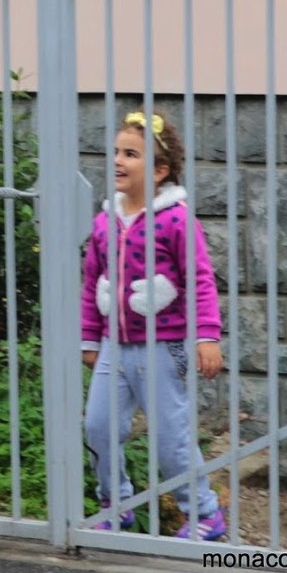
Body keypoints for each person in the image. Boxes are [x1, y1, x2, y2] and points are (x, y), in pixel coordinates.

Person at [80, 110, 226, 541]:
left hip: (162, 348)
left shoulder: (176, 219)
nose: (118, 161)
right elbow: (93, 282)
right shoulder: (105, 221)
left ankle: (204, 514)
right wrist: (90, 338)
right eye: (116, 153)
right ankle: (116, 503)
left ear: (160, 171)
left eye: (131, 154)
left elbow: (200, 278)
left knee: (170, 437)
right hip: (113, 347)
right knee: (97, 427)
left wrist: (206, 336)